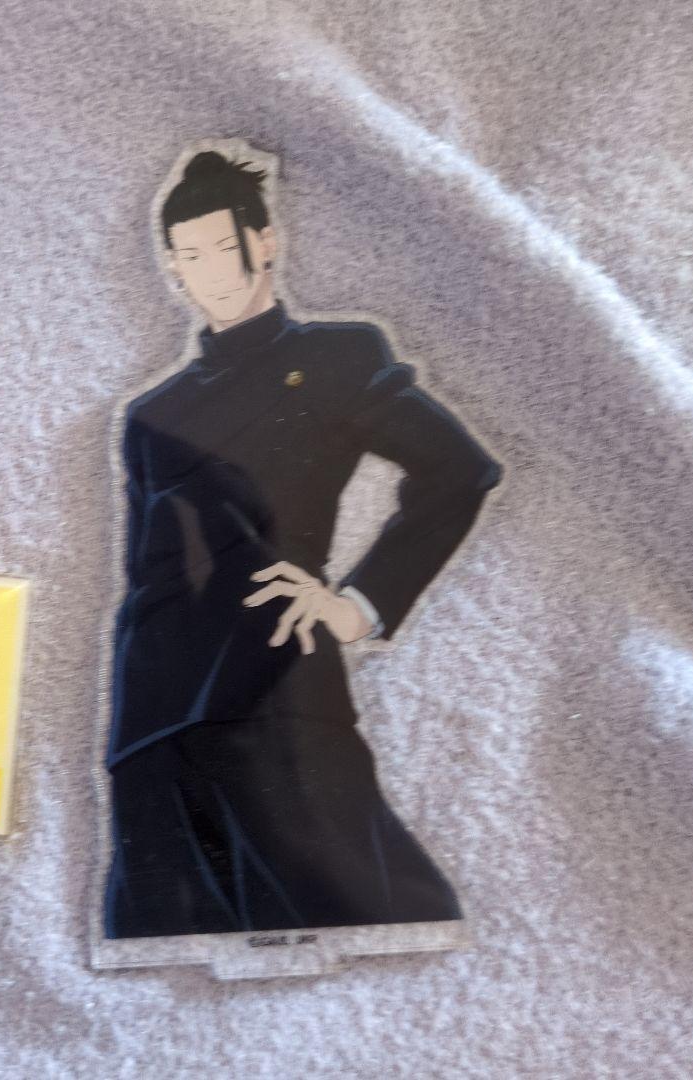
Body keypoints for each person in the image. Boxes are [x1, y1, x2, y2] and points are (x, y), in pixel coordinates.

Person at [103, 147, 502, 939]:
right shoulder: (152, 415)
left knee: (365, 904)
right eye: (189, 255)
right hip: (155, 707)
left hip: (275, 675)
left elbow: (459, 470)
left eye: (224, 246)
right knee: (166, 933)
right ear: (171, 267)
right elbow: (145, 580)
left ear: (265, 241)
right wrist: (128, 730)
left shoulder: (334, 358)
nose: (210, 271)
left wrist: (359, 605)